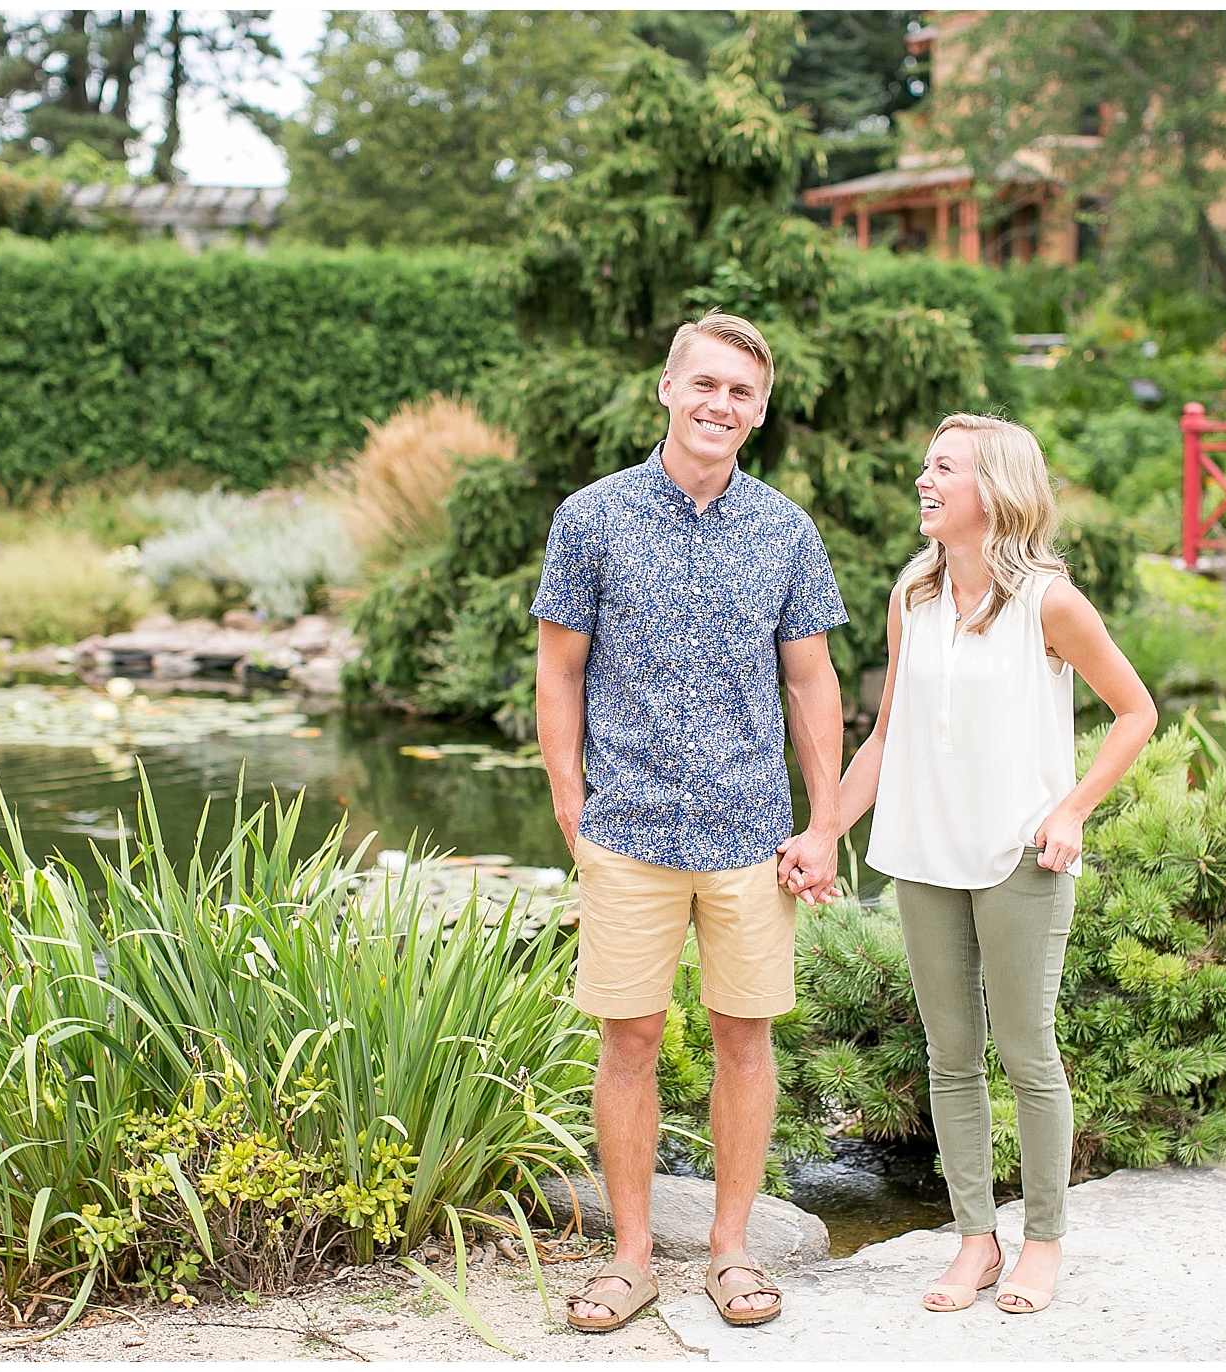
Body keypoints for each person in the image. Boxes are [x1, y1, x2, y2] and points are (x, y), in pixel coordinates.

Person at [778, 413, 1157, 1316]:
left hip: (1018, 855)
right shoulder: (914, 591)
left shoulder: (1050, 602)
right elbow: (889, 732)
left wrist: (1071, 809)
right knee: (950, 1059)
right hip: (924, 854)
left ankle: (1045, 1243)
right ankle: (975, 1238)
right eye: (927, 464)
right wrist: (826, 828)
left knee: (1028, 1055)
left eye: (943, 467)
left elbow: (1135, 711)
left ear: (994, 488)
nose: (924, 478)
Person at [533, 310, 848, 1333]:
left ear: (759, 412)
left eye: (741, 393)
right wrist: (570, 805)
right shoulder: (591, 515)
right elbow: (558, 668)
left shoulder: (784, 530)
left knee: (741, 1038)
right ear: (666, 390)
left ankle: (729, 1249)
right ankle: (628, 1257)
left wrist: (825, 822)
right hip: (626, 829)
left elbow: (811, 682)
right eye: (705, 384)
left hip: (749, 832)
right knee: (627, 1039)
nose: (721, 405)